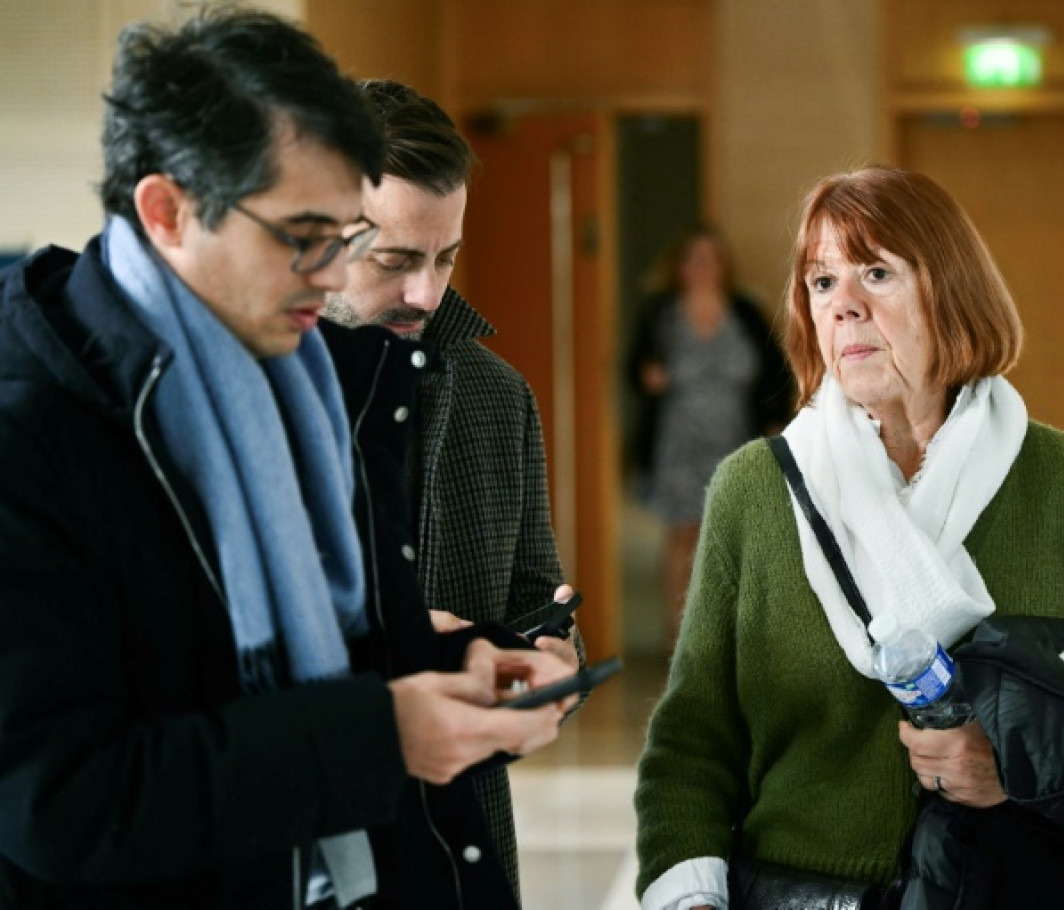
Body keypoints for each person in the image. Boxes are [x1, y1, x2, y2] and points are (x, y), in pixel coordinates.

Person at [0, 9, 573, 909]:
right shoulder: (30, 428)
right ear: (168, 211)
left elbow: (338, 654)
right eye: (305, 236)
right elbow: (61, 801)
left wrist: (471, 668)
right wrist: (381, 737)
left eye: (347, 236)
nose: (332, 272)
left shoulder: (287, 371)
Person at [633, 166, 1064, 909]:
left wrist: (1027, 770)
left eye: (877, 273)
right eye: (822, 283)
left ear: (949, 288)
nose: (844, 307)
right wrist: (691, 896)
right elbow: (693, 741)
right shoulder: (755, 491)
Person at [321, 78, 584, 904]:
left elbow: (535, 597)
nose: (427, 296)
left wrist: (551, 659)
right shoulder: (246, 400)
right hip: (312, 835)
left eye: (446, 258)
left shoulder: (496, 395)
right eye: (395, 261)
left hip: (459, 842)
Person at [626, 227, 791, 642]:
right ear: (679, 267)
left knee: (725, 535)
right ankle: (677, 633)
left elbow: (775, 371)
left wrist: (775, 422)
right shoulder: (662, 312)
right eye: (693, 258)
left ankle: (721, 633)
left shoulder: (745, 311)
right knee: (682, 532)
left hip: (733, 440)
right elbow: (633, 367)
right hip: (678, 442)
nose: (702, 267)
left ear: (724, 266)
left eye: (711, 258)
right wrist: (648, 376)